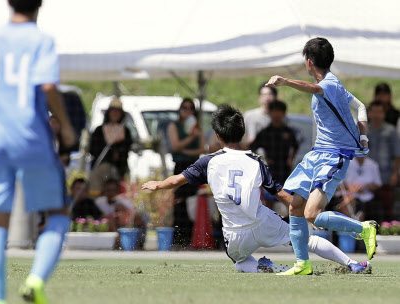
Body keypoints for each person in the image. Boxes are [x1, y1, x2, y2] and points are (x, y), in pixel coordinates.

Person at [142, 105, 370, 274]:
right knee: (307, 239)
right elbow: (280, 194)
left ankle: (272, 269)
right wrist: (303, 212)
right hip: (263, 222)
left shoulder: (209, 161)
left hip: (235, 234)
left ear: (218, 136)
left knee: (240, 262)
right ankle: (351, 263)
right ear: (241, 135)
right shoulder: (255, 161)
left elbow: (177, 181)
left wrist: (158, 184)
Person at [0, 0, 76, 303]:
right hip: (30, 138)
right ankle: (35, 282)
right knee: (59, 213)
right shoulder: (41, 40)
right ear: (41, 4)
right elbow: (48, 86)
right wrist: (64, 125)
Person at [265, 37, 377, 275]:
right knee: (295, 207)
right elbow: (361, 107)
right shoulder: (334, 84)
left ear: (309, 62)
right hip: (317, 154)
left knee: (311, 214)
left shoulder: (329, 84)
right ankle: (302, 264)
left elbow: (314, 89)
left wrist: (284, 81)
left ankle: (363, 229)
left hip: (333, 157)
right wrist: (364, 137)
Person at [167, 97, 205, 246]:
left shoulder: (197, 127)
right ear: (180, 110)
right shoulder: (174, 126)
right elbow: (175, 146)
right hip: (180, 166)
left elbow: (203, 148)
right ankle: (178, 237)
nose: (187, 111)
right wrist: (191, 138)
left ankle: (191, 237)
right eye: (185, 108)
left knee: (193, 201)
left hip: (194, 165)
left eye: (190, 108)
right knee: (179, 200)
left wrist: (187, 150)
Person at [250, 100, 299, 210]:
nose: (277, 114)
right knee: (269, 200)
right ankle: (270, 223)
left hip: (285, 169)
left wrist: (291, 159)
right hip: (270, 170)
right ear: (270, 113)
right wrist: (263, 160)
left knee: (288, 199)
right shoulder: (265, 132)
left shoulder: (288, 131)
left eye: (279, 111)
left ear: (284, 113)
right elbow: (253, 147)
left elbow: (295, 146)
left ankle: (289, 224)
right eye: (274, 111)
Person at [89, 97, 133, 194]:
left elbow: (126, 149)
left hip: (119, 169)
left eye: (117, 112)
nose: (115, 114)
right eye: (113, 111)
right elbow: (93, 149)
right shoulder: (99, 130)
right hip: (101, 167)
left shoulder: (126, 131)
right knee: (96, 192)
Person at [367, 101, 400, 221]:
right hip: (368, 179)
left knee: (387, 210)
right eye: (373, 112)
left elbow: (397, 154)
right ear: (369, 113)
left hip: (385, 176)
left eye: (379, 112)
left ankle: (386, 232)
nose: (376, 115)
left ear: (384, 114)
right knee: (368, 209)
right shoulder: (364, 130)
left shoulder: (390, 131)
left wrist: (395, 173)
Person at [335, 157, 381, 222]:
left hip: (366, 197)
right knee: (347, 203)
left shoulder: (373, 164)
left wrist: (365, 187)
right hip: (345, 195)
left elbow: (377, 184)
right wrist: (349, 188)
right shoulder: (345, 163)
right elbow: (337, 185)